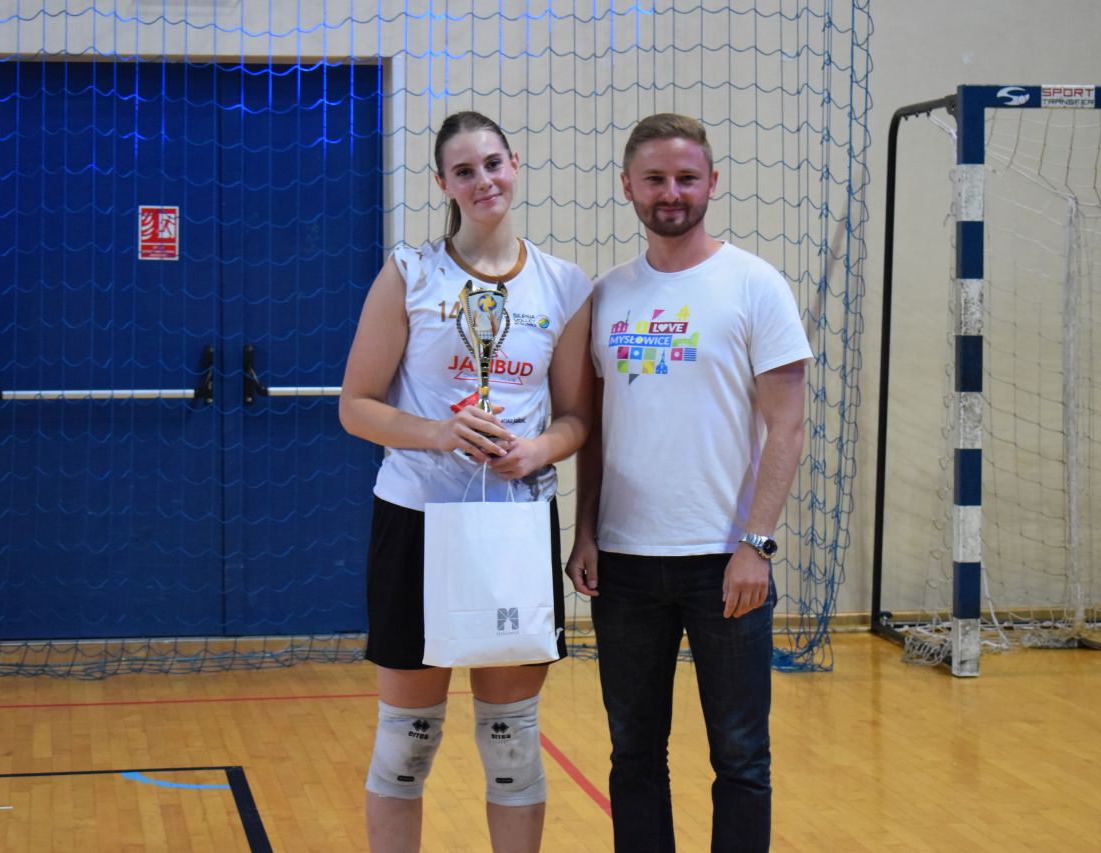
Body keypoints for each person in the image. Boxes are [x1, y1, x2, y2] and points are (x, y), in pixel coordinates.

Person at [340, 110, 594, 853]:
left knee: (513, 749)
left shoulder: (564, 284)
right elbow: (356, 406)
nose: (482, 180)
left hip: (515, 525)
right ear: (443, 183)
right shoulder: (411, 273)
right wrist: (439, 432)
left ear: (514, 165)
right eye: (463, 170)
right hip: (416, 522)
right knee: (406, 745)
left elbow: (577, 417)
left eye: (492, 164)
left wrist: (539, 448)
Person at [566, 113, 811, 853]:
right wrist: (585, 531)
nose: (670, 192)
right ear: (627, 186)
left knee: (741, 756)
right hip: (625, 565)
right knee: (634, 753)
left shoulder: (755, 285)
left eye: (686, 177)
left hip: (725, 564)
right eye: (654, 179)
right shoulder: (606, 295)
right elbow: (594, 429)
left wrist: (755, 546)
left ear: (712, 182)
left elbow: (788, 428)